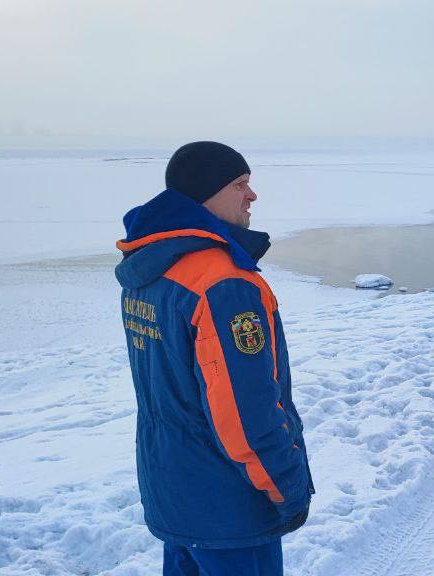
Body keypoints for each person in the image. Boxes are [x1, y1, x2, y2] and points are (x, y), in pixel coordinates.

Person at [115, 141, 313, 575]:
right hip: (230, 505)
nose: (251, 195)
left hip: (173, 488)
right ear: (206, 194)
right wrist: (286, 486)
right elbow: (244, 411)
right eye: (240, 184)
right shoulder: (223, 283)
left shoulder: (153, 268)